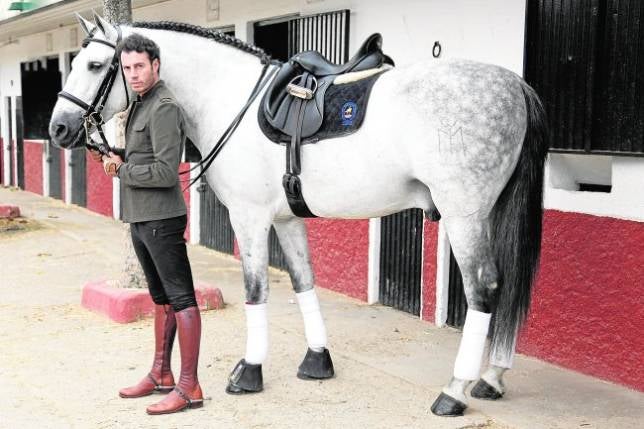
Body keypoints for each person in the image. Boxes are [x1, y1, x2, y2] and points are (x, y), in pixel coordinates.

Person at [91, 33, 203, 415]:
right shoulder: (142, 103)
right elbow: (144, 155)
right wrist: (115, 155)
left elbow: (165, 171)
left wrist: (122, 169)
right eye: (127, 68)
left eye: (140, 66)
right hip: (140, 217)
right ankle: (161, 374)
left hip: (162, 217)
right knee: (161, 299)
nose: (133, 74)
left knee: (182, 298)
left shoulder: (165, 106)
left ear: (156, 65)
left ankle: (190, 387)